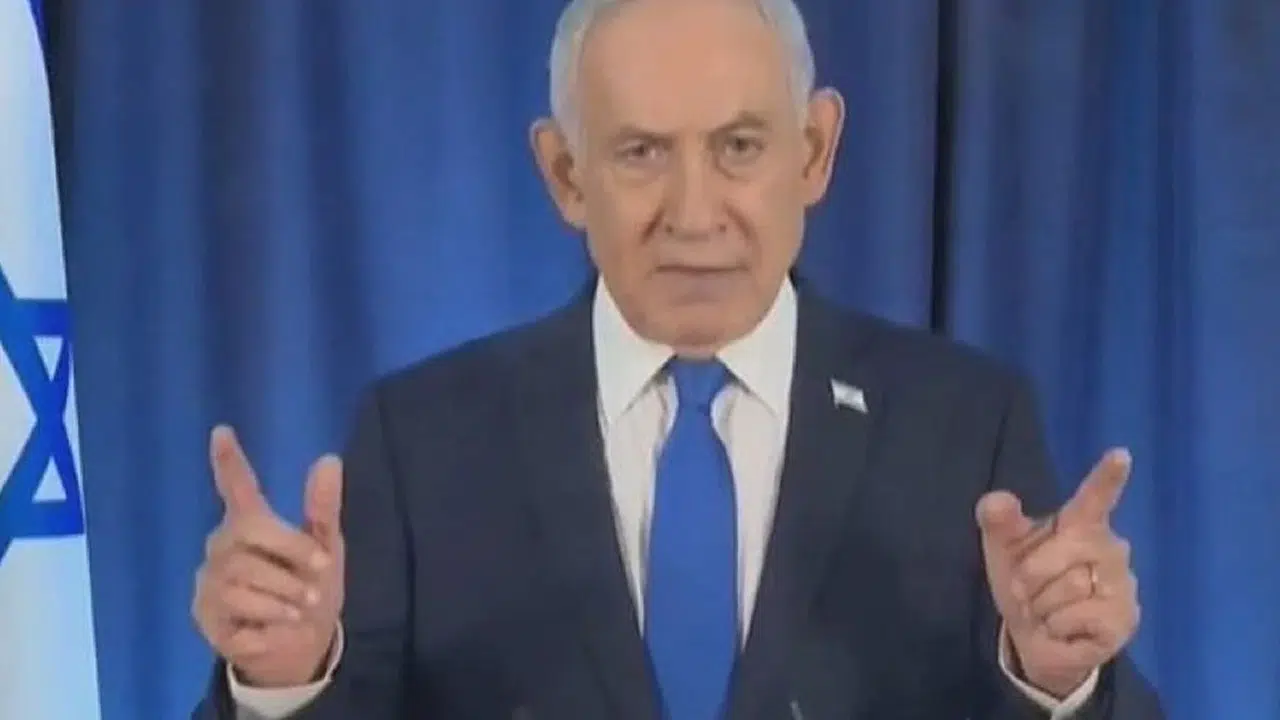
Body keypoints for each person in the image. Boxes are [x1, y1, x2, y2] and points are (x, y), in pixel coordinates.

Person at [191, 0, 1166, 717]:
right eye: (641, 154)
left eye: (738, 146)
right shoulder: (424, 441)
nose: (694, 215)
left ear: (814, 151)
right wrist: (282, 683)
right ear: (565, 175)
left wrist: (1060, 681)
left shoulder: (963, 426)